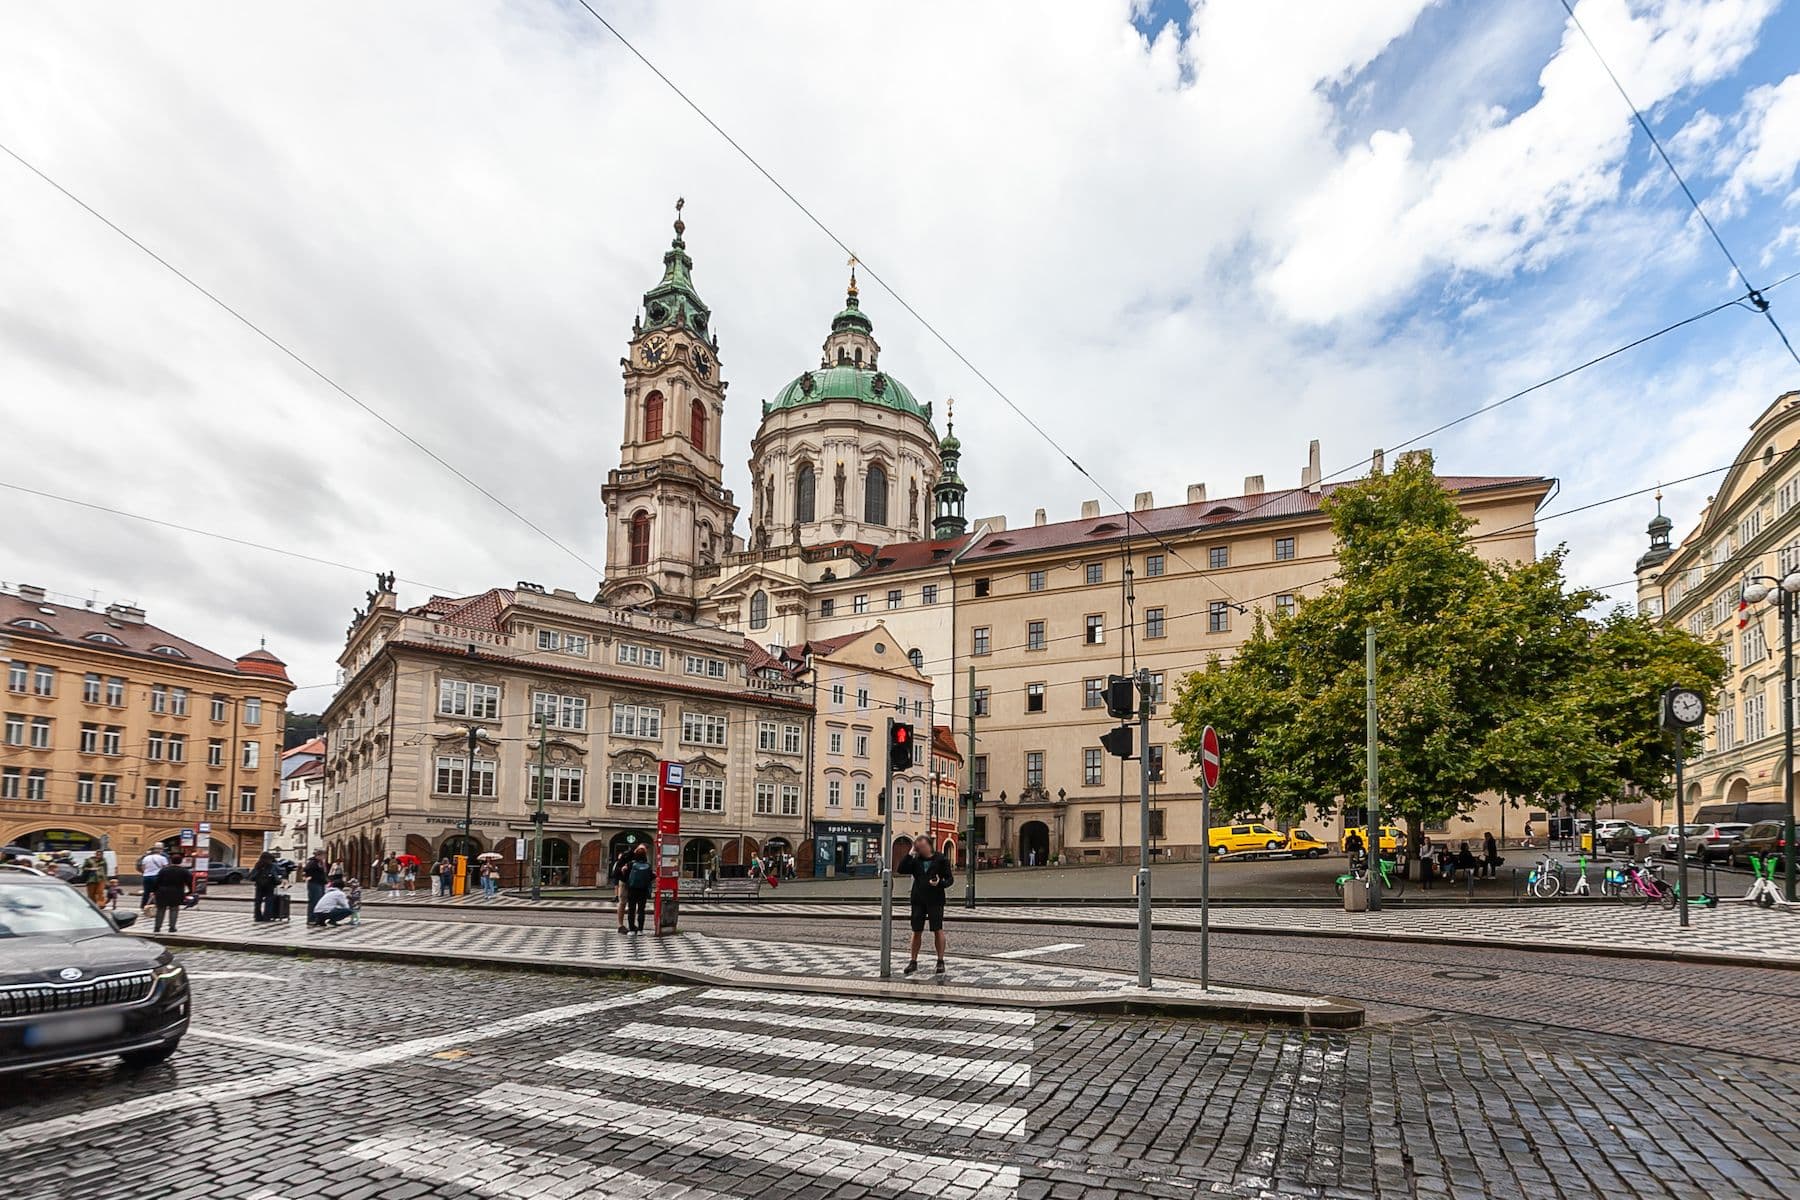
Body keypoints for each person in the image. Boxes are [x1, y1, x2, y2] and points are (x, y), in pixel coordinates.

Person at [897, 834, 954, 976]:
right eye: (917, 846)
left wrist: (940, 883)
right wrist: (910, 854)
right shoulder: (915, 860)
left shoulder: (940, 859)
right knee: (916, 930)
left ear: (928, 845)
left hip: (935, 899)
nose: (919, 849)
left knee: (937, 929)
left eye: (921, 846)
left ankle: (940, 961)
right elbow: (901, 869)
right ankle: (913, 961)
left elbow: (950, 878)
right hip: (918, 899)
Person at [151, 852, 194, 934]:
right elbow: (189, 882)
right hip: (177, 892)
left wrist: (153, 891)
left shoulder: (163, 870)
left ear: (171, 861)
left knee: (160, 910)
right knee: (174, 909)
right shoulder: (184, 871)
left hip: (162, 892)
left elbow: (157, 881)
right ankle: (172, 927)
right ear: (181, 861)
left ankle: (157, 927)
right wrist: (190, 891)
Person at [623, 845, 654, 934]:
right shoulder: (648, 865)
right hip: (643, 890)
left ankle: (632, 929)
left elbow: (626, 877)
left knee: (631, 909)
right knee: (641, 910)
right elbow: (651, 877)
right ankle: (640, 929)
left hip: (632, 889)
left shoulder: (631, 864)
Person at [250, 851, 281, 921]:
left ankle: (257, 917)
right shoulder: (272, 865)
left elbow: (253, 875)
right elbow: (279, 872)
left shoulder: (258, 864)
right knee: (269, 902)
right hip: (270, 885)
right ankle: (267, 916)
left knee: (258, 902)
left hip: (259, 885)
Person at [302, 851, 329, 926]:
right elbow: (306, 870)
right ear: (318, 855)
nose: (324, 857)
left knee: (319, 901)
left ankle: (317, 918)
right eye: (323, 855)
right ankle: (311, 918)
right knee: (314, 901)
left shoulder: (320, 863)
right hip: (314, 883)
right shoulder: (313, 862)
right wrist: (310, 877)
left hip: (320, 883)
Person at [138, 845, 169, 910]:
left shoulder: (146, 858)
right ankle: (158, 905)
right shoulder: (162, 858)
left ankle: (143, 905)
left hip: (146, 876)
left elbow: (143, 867)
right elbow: (165, 868)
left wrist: (145, 873)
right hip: (157, 876)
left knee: (146, 892)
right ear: (160, 851)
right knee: (158, 892)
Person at [608, 850, 632, 933]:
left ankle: (629, 925)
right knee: (623, 903)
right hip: (625, 882)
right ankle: (621, 925)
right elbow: (615, 873)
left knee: (629, 904)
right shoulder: (625, 857)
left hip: (630, 883)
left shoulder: (639, 858)